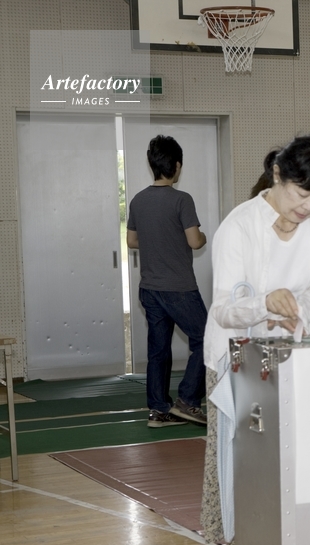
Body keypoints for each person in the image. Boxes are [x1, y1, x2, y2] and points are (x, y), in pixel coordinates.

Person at [200, 135, 310, 545]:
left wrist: (298, 308)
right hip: (237, 364)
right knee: (252, 482)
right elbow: (223, 308)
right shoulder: (238, 226)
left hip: (291, 358)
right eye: (303, 194)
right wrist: (265, 303)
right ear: (278, 176)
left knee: (295, 476)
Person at [126, 135, 209, 428]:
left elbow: (132, 241)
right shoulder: (181, 199)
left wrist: (158, 239)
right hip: (179, 288)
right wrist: (203, 237)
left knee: (158, 350)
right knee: (207, 339)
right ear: (177, 166)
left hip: (149, 288)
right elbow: (194, 241)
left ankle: (158, 410)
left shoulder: (138, 200)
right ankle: (187, 400)